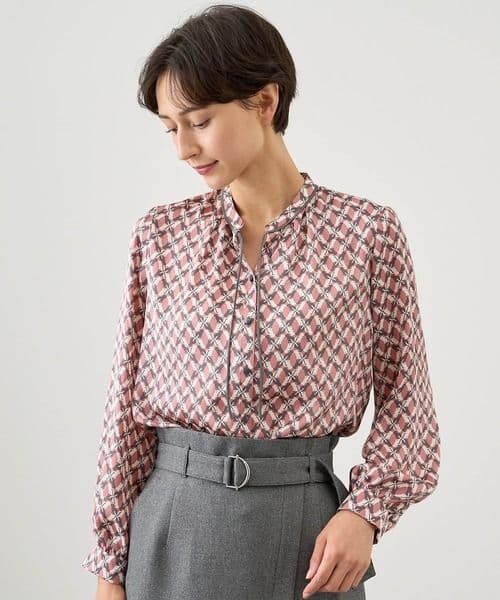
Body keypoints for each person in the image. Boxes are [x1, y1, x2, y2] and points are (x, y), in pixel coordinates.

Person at [82, 4, 441, 599]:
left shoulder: (366, 235)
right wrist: (108, 569)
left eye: (199, 121)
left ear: (265, 101)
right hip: (173, 531)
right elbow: (125, 419)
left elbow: (410, 410)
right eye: (170, 128)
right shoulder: (161, 237)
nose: (184, 148)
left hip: (308, 540)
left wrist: (366, 513)